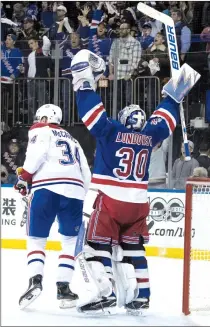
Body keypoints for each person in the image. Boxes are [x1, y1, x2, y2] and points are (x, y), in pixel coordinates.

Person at [69, 49, 200, 315]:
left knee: (97, 246)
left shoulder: (112, 130)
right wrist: (178, 88)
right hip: (139, 201)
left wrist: (83, 81)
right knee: (133, 249)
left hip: (111, 198)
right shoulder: (151, 136)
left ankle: (105, 291)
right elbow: (165, 117)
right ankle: (143, 296)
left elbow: (91, 113)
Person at [14, 103, 91, 310]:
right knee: (69, 241)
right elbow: (86, 174)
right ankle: (64, 288)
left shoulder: (41, 131)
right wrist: (79, 195)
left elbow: (35, 157)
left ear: (46, 119)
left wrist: (23, 179)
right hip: (75, 192)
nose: (37, 122)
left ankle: (35, 282)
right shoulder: (74, 140)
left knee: (36, 239)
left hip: (46, 190)